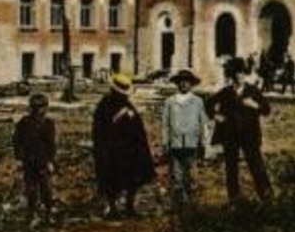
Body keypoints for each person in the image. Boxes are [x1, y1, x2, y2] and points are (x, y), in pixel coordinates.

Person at [90, 71, 156, 218]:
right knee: (111, 179)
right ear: (113, 90)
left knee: (134, 177)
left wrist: (140, 148)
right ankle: (112, 207)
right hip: (111, 150)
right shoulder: (104, 105)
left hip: (129, 151)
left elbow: (138, 130)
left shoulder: (129, 106)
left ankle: (129, 206)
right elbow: (99, 130)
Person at [207, 57, 273, 201]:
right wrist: (216, 116)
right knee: (231, 167)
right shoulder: (226, 92)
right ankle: (234, 198)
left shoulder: (253, 91)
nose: (240, 76)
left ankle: (266, 195)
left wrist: (254, 105)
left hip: (249, 134)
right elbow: (208, 104)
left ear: (246, 74)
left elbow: (267, 110)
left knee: (256, 164)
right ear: (232, 76)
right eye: (236, 73)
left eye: (242, 73)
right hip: (230, 135)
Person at [159, 69, 210, 209]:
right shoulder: (170, 102)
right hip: (175, 144)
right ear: (177, 83)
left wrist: (204, 142)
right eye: (181, 81)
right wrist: (165, 141)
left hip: (192, 144)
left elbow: (203, 123)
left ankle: (192, 205)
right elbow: (165, 124)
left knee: (192, 175)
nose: (183, 84)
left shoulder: (197, 101)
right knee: (176, 176)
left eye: (187, 82)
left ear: (192, 84)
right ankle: (178, 205)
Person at [12, 92, 58, 225]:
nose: (41, 110)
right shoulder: (26, 123)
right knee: (35, 190)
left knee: (42, 190)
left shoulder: (46, 124)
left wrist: (50, 161)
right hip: (32, 162)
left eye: (42, 107)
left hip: (38, 162)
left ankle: (44, 215)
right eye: (38, 107)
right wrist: (19, 159)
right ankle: (34, 215)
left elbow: (51, 145)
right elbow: (17, 141)